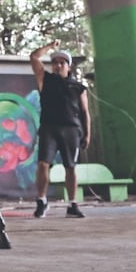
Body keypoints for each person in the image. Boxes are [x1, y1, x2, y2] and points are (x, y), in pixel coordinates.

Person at [30, 40, 91, 218]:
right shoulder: (45, 79)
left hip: (71, 130)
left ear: (68, 67)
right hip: (49, 128)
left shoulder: (78, 88)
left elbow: (85, 112)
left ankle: (72, 205)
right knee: (43, 164)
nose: (58, 65)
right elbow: (34, 57)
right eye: (55, 62)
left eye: (62, 63)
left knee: (70, 167)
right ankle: (41, 200)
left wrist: (88, 133)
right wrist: (50, 46)